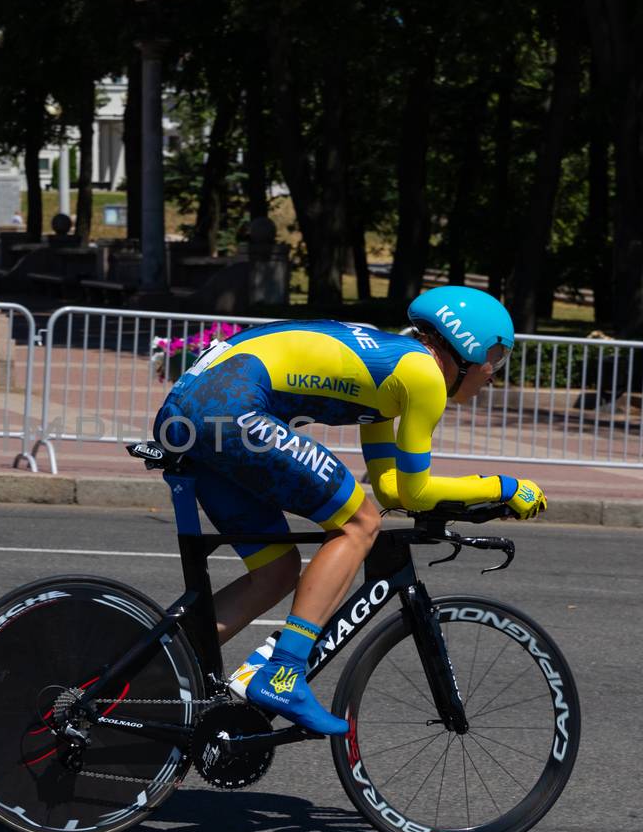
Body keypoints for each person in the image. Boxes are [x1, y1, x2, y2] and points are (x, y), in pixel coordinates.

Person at [149, 285, 547, 736]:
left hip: (194, 411)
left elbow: (392, 486)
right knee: (360, 524)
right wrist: (503, 486)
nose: (494, 374)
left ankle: (152, 675)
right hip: (228, 407)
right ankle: (282, 674)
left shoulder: (395, 371)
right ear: (467, 347)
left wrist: (473, 498)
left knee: (277, 572)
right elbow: (415, 494)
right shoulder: (424, 376)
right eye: (496, 358)